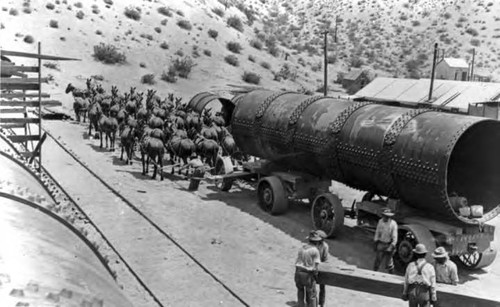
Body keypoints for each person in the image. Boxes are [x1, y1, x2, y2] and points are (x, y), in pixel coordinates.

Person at [295, 231, 322, 307]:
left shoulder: (301, 248)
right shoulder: (315, 251)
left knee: (300, 290)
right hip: (307, 274)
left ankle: (300, 305)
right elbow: (316, 266)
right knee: (312, 294)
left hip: (298, 272)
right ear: (317, 243)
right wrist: (315, 276)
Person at [373, 208, 398, 274]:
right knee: (378, 260)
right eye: (384, 216)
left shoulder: (393, 224)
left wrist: (391, 247)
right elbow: (377, 233)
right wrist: (375, 243)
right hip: (381, 243)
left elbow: (395, 238)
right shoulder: (380, 221)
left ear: (389, 217)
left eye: (387, 216)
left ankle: (392, 276)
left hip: (389, 244)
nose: (385, 217)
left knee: (389, 263)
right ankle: (373, 273)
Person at [315, 230, 329, 307]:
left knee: (322, 287)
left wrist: (322, 267)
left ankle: (321, 304)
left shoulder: (325, 246)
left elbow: (325, 259)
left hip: (321, 267)